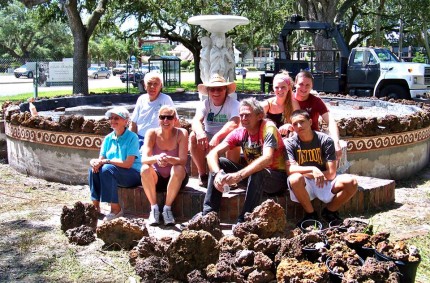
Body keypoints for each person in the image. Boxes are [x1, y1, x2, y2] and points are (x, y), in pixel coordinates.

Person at [199, 98, 288, 224]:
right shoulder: (240, 132)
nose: (244, 118)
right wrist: (218, 174)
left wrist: (239, 175)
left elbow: (267, 159)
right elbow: (212, 154)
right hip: (253, 176)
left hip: (276, 178)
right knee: (220, 162)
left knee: (258, 172)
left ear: (259, 116)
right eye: (241, 115)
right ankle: (208, 215)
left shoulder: (268, 128)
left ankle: (244, 221)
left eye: (248, 115)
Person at [284, 109, 357, 226]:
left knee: (351, 182)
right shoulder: (290, 143)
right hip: (305, 183)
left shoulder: (325, 140)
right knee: (294, 179)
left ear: (310, 122)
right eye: (295, 124)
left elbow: (331, 173)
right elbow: (290, 170)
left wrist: (304, 170)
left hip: (325, 180)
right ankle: (311, 215)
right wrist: (313, 170)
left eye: (302, 122)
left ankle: (329, 212)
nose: (299, 126)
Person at [88, 106, 142, 221]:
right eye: (111, 118)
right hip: (113, 171)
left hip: (132, 174)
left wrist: (107, 161)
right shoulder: (108, 138)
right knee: (94, 170)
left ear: (125, 121)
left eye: (116, 118)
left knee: (107, 168)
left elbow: (128, 164)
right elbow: (101, 159)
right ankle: (95, 207)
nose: (112, 121)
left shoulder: (132, 137)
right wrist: (94, 162)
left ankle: (116, 209)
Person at [140, 106, 189, 226]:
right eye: (162, 117)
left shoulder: (182, 133)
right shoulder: (151, 133)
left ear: (175, 120)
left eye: (169, 117)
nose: (166, 120)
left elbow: (183, 160)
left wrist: (169, 159)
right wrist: (157, 158)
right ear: (158, 119)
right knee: (145, 168)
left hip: (177, 176)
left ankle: (167, 209)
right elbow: (144, 159)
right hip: (157, 177)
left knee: (178, 168)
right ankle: (154, 209)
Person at [190, 73, 240, 187]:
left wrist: (218, 136)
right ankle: (202, 174)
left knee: (236, 136)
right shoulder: (205, 104)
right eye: (212, 89)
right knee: (193, 136)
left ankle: (231, 175)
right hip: (208, 137)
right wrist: (200, 133)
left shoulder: (234, 104)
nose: (216, 92)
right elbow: (196, 121)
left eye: (219, 89)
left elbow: (234, 123)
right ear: (208, 91)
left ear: (225, 90)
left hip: (226, 137)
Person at [294, 71, 342, 158]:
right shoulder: (289, 100)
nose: (304, 88)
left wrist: (336, 142)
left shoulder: (316, 101)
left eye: (307, 85)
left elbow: (330, 120)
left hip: (313, 140)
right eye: (301, 84)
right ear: (295, 84)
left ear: (312, 86)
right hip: (294, 139)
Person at [130, 73, 174, 147]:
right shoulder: (141, 99)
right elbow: (133, 124)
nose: (152, 86)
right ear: (145, 86)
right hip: (140, 140)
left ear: (161, 86)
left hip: (158, 140)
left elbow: (175, 122)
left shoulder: (166, 99)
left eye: (156, 84)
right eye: (149, 83)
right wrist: (131, 142)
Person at [261, 71, 299, 135]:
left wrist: (290, 126)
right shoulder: (266, 105)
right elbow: (254, 124)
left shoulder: (293, 104)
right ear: (273, 88)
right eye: (276, 87)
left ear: (289, 87)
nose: (280, 90)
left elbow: (300, 124)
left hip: (287, 141)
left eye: (283, 87)